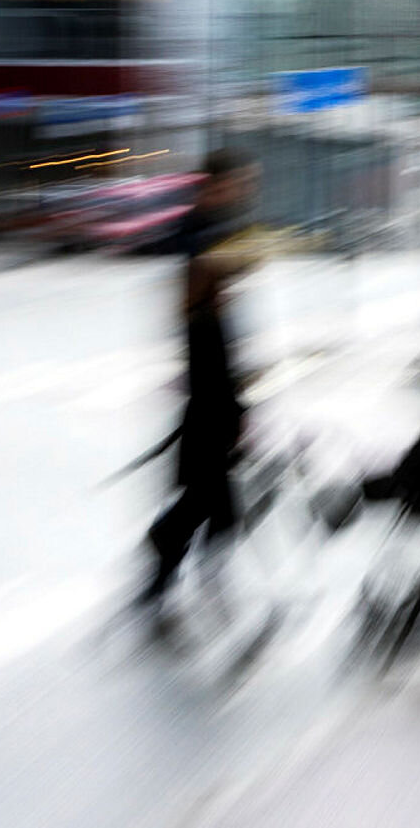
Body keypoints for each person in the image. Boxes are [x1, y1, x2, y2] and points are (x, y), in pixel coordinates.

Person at [137, 150, 260, 632]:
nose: (246, 190)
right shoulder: (202, 242)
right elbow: (209, 348)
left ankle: (167, 587)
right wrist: (235, 407)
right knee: (211, 508)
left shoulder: (213, 235)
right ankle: (184, 584)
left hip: (213, 398)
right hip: (211, 402)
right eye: (240, 183)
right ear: (214, 185)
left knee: (207, 505)